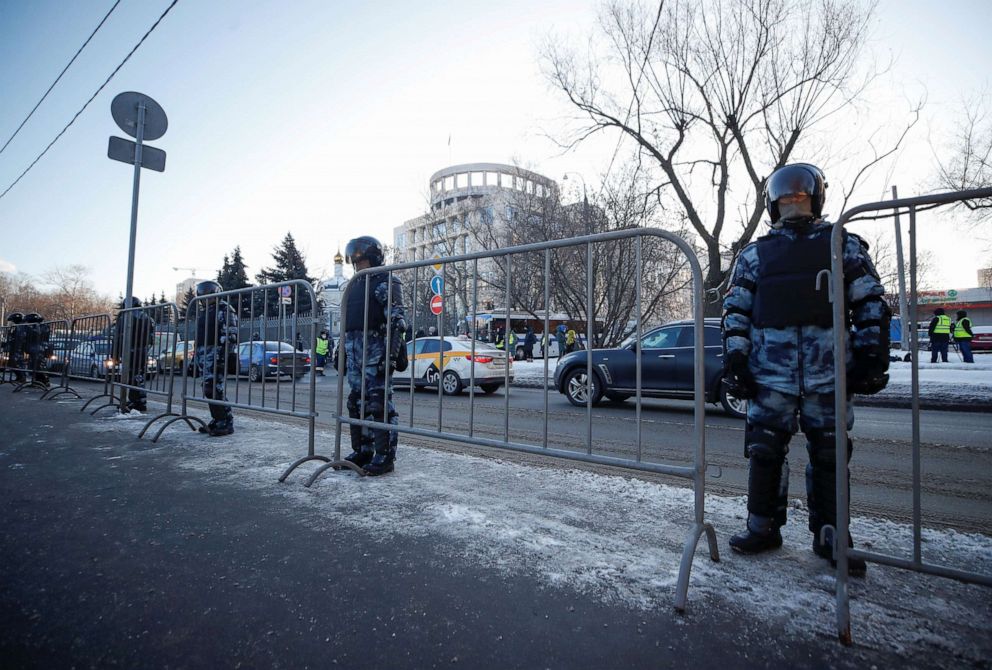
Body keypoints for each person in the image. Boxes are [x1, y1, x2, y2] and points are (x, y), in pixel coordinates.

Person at [722, 163, 890, 576]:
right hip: (770, 375)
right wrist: (737, 361)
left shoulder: (842, 246)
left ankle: (832, 535)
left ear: (815, 199)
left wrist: (871, 357)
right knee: (763, 450)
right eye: (785, 201)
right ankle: (761, 527)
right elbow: (736, 311)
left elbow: (870, 304)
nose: (792, 206)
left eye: (799, 199)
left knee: (831, 454)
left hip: (828, 373)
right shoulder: (755, 254)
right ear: (773, 206)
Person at [342, 236, 407, 476]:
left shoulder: (386, 281)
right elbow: (348, 322)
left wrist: (390, 356)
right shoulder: (354, 285)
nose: (359, 266)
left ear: (375, 259)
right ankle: (363, 450)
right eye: (356, 263)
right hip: (355, 354)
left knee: (378, 403)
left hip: (376, 352)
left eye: (363, 261)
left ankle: (385, 455)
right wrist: (342, 350)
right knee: (356, 403)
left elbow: (398, 322)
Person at [194, 280, 239, 437]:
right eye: (202, 293)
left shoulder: (225, 309)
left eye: (208, 293)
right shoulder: (206, 312)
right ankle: (217, 419)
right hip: (204, 355)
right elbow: (200, 337)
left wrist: (223, 354)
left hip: (217, 353)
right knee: (209, 389)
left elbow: (231, 334)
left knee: (213, 388)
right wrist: (195, 358)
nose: (205, 297)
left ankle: (226, 422)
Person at [113, 297, 155, 412]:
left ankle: (137, 402)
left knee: (133, 375)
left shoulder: (126, 316)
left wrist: (115, 354)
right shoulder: (146, 317)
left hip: (131, 350)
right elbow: (151, 337)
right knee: (137, 375)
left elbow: (118, 336)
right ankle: (138, 400)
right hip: (141, 350)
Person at [22, 313, 51, 387]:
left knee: (39, 365)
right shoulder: (39, 327)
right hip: (36, 348)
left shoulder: (42, 327)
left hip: (39, 348)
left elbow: (37, 335)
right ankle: (37, 381)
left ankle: (44, 381)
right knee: (34, 365)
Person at [3, 313, 27, 383]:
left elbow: (19, 338)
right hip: (15, 348)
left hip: (17, 349)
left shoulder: (21, 328)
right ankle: (19, 377)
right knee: (12, 363)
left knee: (17, 362)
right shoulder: (16, 328)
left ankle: (22, 377)